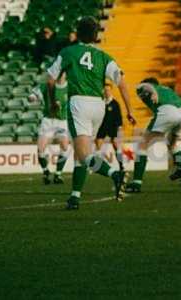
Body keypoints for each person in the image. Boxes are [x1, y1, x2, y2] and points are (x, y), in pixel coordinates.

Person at [46, 16, 136, 209]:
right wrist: (129, 110)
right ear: (96, 36)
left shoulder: (68, 51)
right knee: (82, 155)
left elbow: (50, 80)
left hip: (79, 102)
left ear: (78, 33)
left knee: (84, 154)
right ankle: (75, 196)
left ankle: (115, 174)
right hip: (99, 105)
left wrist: (53, 101)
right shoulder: (104, 57)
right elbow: (121, 83)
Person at [125, 77, 181, 193]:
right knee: (172, 146)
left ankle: (136, 183)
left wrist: (153, 92)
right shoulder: (168, 91)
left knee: (142, 145)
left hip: (167, 111)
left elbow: (147, 86)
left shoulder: (145, 87)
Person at [28, 73, 69, 185]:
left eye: (63, 72)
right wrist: (32, 98)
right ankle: (46, 172)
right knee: (41, 148)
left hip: (62, 121)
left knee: (65, 147)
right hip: (48, 121)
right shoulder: (47, 85)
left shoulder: (70, 87)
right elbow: (34, 94)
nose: (61, 74)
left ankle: (58, 174)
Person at [95, 83, 124, 170]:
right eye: (105, 90)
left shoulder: (115, 103)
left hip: (112, 127)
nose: (107, 92)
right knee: (98, 145)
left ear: (111, 91)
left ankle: (121, 165)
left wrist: (119, 127)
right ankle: (97, 166)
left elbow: (119, 117)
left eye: (108, 90)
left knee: (116, 145)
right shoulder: (100, 102)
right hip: (102, 126)